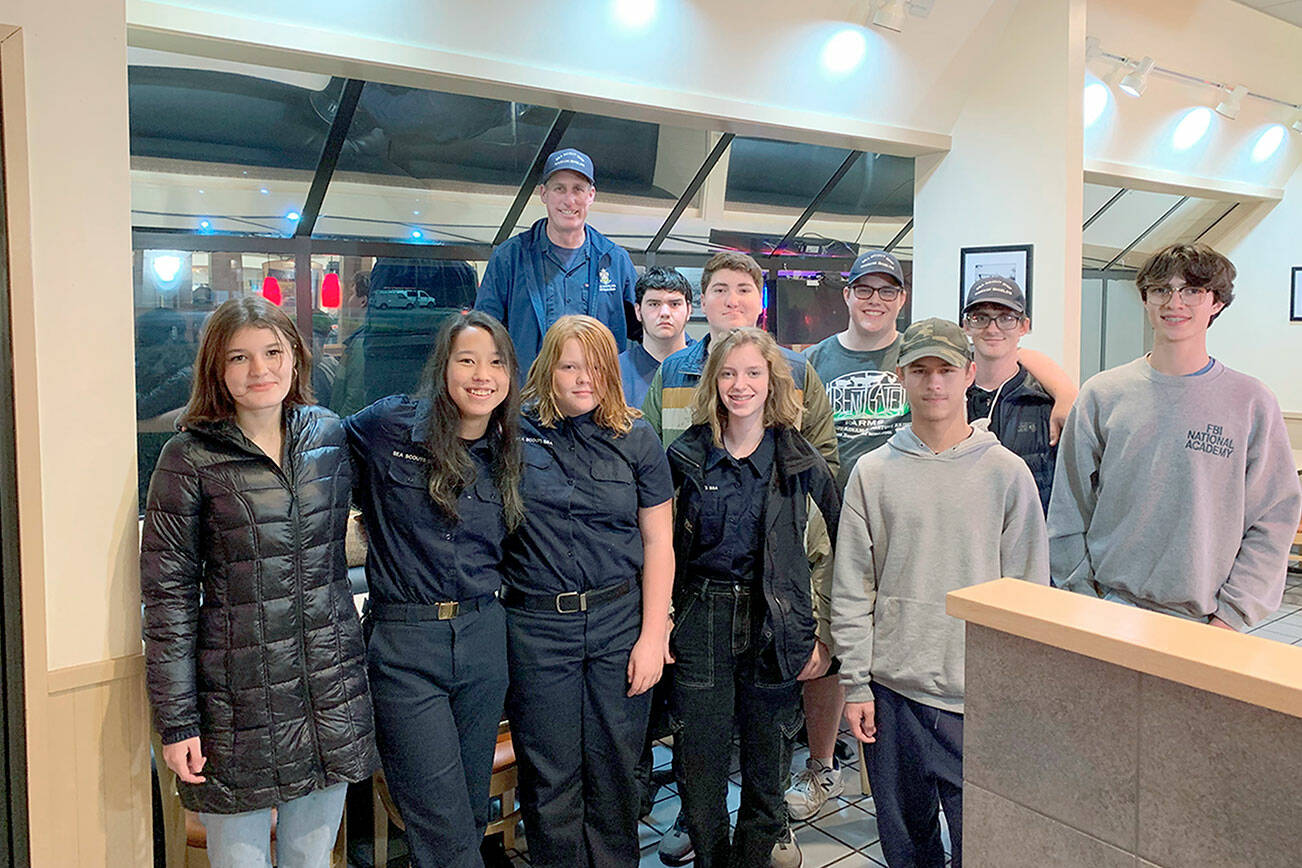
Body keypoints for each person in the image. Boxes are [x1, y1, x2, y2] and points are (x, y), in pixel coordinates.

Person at [141, 296, 378, 868]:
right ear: (216, 371)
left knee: (311, 857)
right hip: (235, 703)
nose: (260, 370)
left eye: (273, 352)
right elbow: (168, 600)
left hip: (328, 688)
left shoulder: (328, 434)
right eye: (239, 358)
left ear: (296, 357)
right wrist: (178, 723)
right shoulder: (188, 456)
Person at [831, 317, 1049, 868]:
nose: (934, 384)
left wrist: (1015, 694)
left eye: (946, 370)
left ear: (969, 375)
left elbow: (1028, 595)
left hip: (972, 696)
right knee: (907, 845)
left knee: (984, 842)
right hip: (891, 694)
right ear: (900, 377)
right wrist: (856, 685)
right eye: (920, 370)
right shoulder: (872, 473)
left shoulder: (1007, 473)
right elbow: (853, 588)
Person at [643, 250, 836, 867]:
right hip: (700, 618)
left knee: (767, 760)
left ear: (773, 381)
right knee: (698, 761)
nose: (741, 386)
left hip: (774, 617)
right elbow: (660, 548)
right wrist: (661, 622)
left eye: (754, 374)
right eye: (729, 375)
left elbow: (836, 549)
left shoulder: (801, 460)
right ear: (713, 383)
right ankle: (710, 858)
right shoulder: (687, 458)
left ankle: (753, 858)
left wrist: (822, 631)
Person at [343, 311, 523, 867]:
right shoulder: (388, 426)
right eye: (466, 360)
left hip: (483, 638)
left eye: (496, 363)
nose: (481, 375)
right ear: (443, 366)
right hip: (405, 644)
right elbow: (316, 451)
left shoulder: (510, 449)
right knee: (439, 821)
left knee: (469, 812)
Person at [1048, 243, 1302, 628]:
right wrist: (1083, 595)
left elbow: (1273, 519)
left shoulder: (1251, 402)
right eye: (1161, 290)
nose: (1174, 302)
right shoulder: (1103, 394)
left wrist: (1231, 617)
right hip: (1108, 606)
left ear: (1216, 302)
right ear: (1146, 300)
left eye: (1192, 291)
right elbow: (1068, 508)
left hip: (1206, 620)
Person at [502, 315, 675, 867]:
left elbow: (660, 545)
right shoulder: (512, 432)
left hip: (618, 624)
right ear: (547, 368)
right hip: (536, 628)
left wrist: (653, 635)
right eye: (569, 365)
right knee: (549, 773)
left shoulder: (637, 437)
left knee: (616, 768)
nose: (583, 378)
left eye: (595, 366)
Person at [475, 148, 637, 372]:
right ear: (543, 193)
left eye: (578, 189)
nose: (569, 200)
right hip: (528, 400)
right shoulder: (509, 257)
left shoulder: (615, 261)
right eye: (559, 189)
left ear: (591, 195)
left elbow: (646, 325)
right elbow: (484, 332)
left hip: (596, 397)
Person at [962, 276, 1057, 513]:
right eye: (981, 318)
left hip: (1029, 542)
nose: (992, 328)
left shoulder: (1048, 404)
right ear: (966, 325)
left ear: (1024, 326)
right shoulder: (947, 399)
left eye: (1006, 318)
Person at [618, 265, 694, 408]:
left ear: (689, 310)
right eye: (654, 304)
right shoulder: (616, 371)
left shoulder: (708, 367)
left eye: (674, 304)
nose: (664, 312)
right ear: (638, 311)